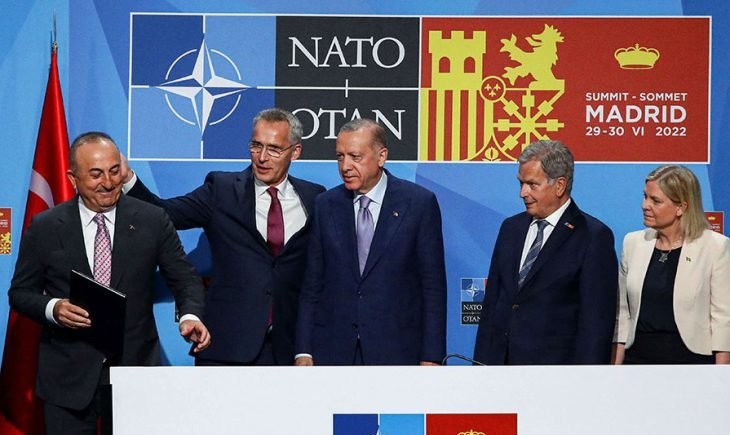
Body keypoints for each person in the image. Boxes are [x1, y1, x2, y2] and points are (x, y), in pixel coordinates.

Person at [8, 132, 210, 435]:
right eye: (96, 174)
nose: (108, 182)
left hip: (135, 374)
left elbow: (185, 278)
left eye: (114, 171)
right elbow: (20, 293)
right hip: (68, 377)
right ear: (73, 178)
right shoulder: (46, 226)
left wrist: (190, 315)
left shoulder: (153, 220)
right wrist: (54, 307)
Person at [122, 108, 325, 365]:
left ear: (295, 152)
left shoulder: (315, 197)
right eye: (256, 146)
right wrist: (127, 179)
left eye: (274, 149)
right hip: (227, 345)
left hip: (291, 348)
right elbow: (165, 213)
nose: (262, 157)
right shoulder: (221, 190)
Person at [295, 118, 447, 366]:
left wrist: (431, 356)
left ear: (381, 156)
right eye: (340, 156)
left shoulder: (418, 204)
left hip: (397, 351)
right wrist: (303, 350)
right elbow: (312, 284)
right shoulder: (326, 205)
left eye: (355, 157)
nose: (346, 166)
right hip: (334, 351)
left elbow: (433, 288)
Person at [473, 140, 617, 365]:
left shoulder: (592, 236)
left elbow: (595, 324)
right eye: (521, 183)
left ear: (559, 185)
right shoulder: (511, 228)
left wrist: (589, 379)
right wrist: (480, 367)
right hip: (501, 368)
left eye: (532, 184)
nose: (523, 193)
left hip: (556, 372)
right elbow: (492, 305)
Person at [612, 165, 730, 364]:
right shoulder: (633, 243)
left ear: (681, 207)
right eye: (645, 197)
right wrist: (615, 366)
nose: (645, 205)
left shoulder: (715, 247)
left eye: (655, 200)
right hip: (638, 359)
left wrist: (722, 374)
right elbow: (623, 314)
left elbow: (723, 318)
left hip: (691, 361)